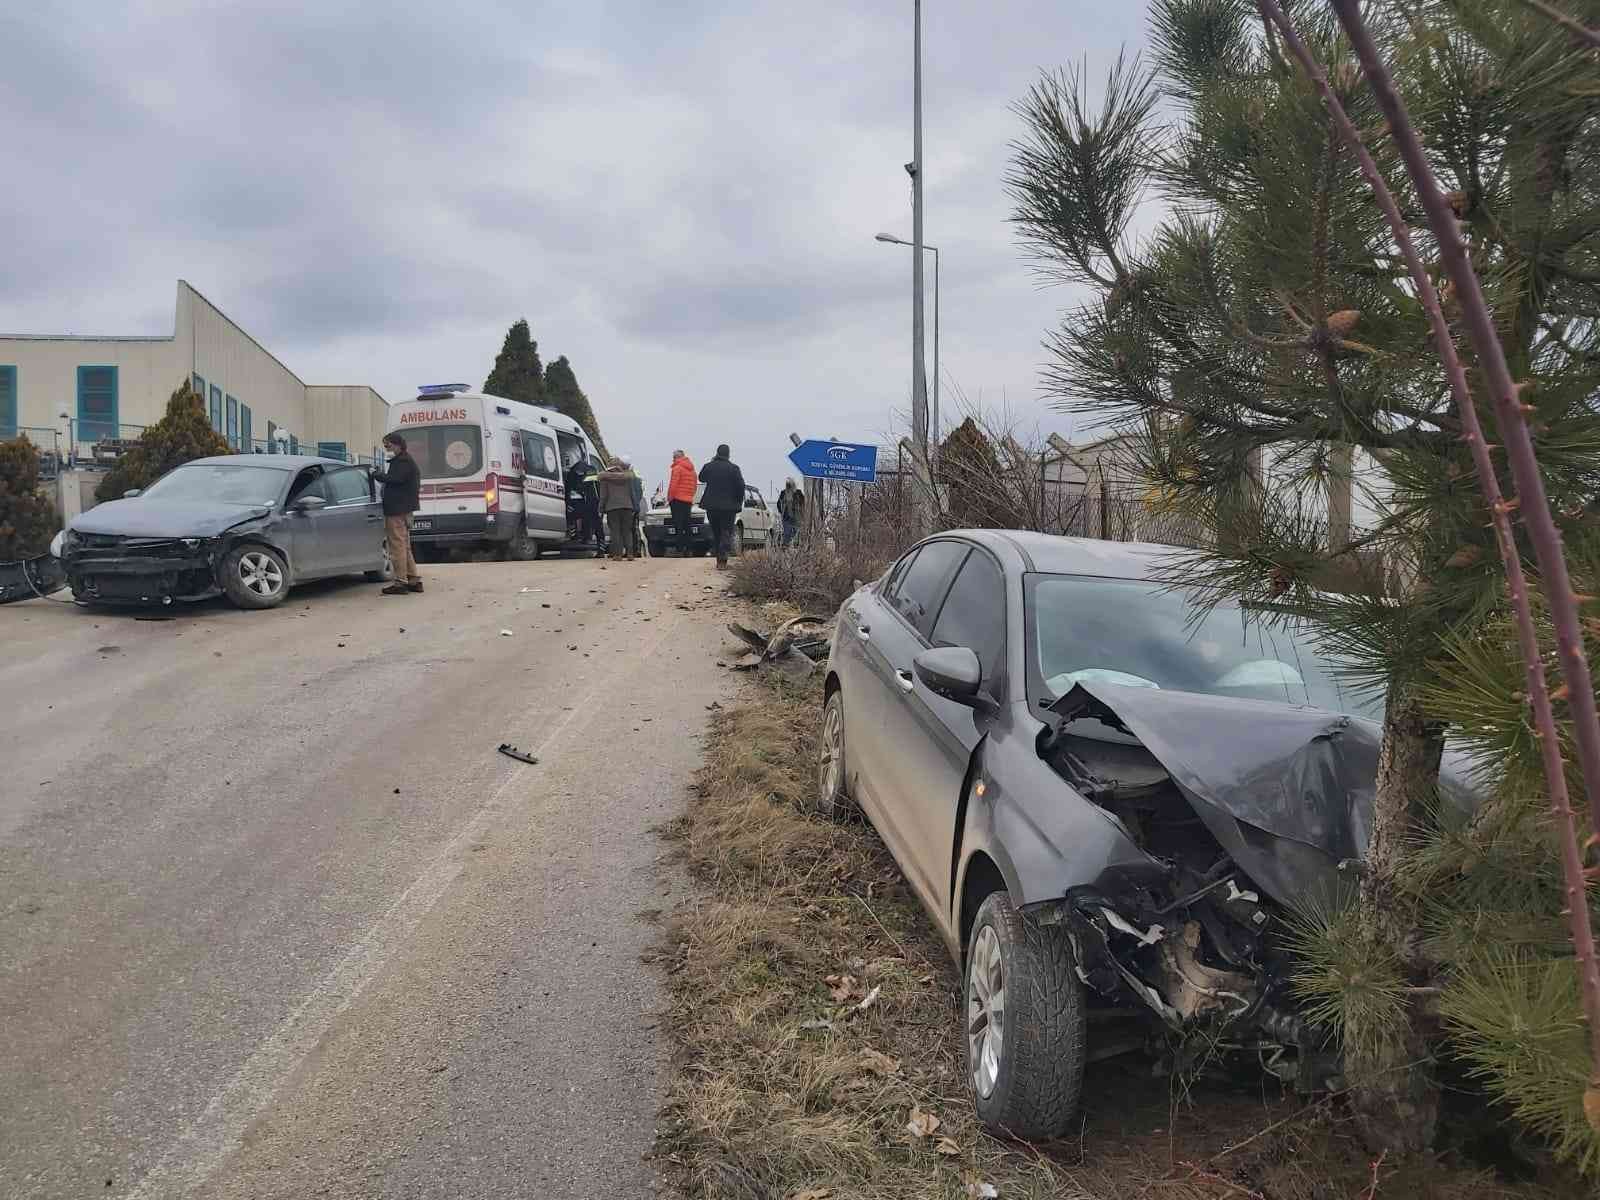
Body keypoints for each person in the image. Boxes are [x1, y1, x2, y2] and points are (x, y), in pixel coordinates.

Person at [369, 433, 422, 594]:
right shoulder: (405, 460)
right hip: (404, 509)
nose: (387, 449)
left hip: (397, 510)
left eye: (388, 445)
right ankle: (413, 579)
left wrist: (376, 474)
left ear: (398, 444)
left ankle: (400, 582)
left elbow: (394, 479)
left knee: (397, 546)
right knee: (404, 546)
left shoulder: (403, 461)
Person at [698, 443, 746, 569]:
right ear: (728, 454)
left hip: (711, 506)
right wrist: (738, 502)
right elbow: (741, 486)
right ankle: (722, 560)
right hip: (729, 507)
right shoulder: (734, 468)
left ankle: (719, 558)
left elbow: (701, 478)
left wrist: (711, 463)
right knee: (726, 532)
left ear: (717, 453)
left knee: (716, 532)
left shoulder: (709, 466)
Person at [597, 457, 639, 561]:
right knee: (627, 531)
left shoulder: (604, 478)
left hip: (612, 507)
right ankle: (630, 554)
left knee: (615, 531)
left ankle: (618, 555)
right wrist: (635, 506)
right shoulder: (628, 477)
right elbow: (632, 493)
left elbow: (603, 495)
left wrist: (600, 508)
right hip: (627, 507)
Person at [667, 449, 697, 557]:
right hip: (688, 500)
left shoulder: (677, 468)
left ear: (676, 457)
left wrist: (670, 498)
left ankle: (679, 550)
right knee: (687, 525)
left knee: (678, 525)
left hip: (677, 500)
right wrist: (690, 496)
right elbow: (694, 486)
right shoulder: (692, 470)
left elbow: (673, 485)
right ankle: (689, 550)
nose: (672, 459)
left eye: (673, 457)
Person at [777, 478, 805, 545]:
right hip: (786, 518)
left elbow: (804, 503)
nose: (789, 486)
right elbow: (778, 503)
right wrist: (781, 512)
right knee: (787, 532)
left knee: (795, 532)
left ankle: (788, 543)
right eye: (788, 485)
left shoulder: (798, 493)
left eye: (790, 484)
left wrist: (802, 513)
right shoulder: (783, 493)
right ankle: (785, 546)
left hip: (797, 517)